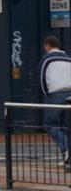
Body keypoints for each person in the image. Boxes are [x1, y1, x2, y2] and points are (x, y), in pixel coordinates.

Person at [38, 36, 71, 168]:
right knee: (66, 125)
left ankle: (66, 148)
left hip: (56, 94)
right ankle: (67, 157)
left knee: (49, 124)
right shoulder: (68, 58)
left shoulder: (46, 59)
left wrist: (46, 94)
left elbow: (42, 78)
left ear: (48, 45)